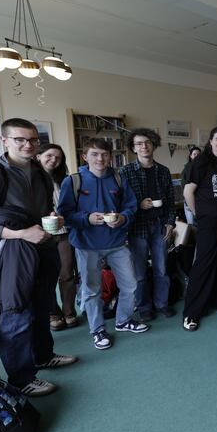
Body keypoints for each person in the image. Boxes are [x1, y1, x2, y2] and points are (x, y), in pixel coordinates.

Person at [0, 118, 77, 397]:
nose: (28, 145)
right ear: (5, 141)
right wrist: (19, 234)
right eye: (20, 139)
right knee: (17, 312)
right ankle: (21, 378)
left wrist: (51, 220)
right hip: (11, 253)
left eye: (33, 140)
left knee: (43, 304)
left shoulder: (40, 172)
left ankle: (43, 355)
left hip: (42, 248)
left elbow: (43, 211)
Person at [58, 137, 149, 350]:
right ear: (85, 156)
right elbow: (65, 214)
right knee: (91, 289)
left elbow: (131, 207)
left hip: (117, 243)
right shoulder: (73, 181)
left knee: (131, 284)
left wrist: (123, 218)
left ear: (111, 157)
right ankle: (97, 329)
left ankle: (123, 320)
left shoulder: (118, 179)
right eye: (95, 154)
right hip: (86, 244)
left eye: (105, 154)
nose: (100, 159)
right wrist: (86, 219)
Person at [182, 127, 217, 331]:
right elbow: (188, 192)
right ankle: (191, 313)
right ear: (211, 141)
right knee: (204, 263)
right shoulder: (200, 162)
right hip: (208, 221)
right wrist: (198, 213)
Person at [120, 128, 176, 321]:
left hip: (159, 224)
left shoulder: (163, 171)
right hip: (137, 227)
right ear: (133, 148)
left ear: (153, 145)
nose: (144, 146)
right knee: (140, 272)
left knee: (162, 269)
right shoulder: (125, 171)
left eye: (148, 142)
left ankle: (162, 304)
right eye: (139, 144)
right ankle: (144, 307)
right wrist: (138, 205)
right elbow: (120, 203)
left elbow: (169, 201)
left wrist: (170, 224)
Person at [36, 143, 78, 331]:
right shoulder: (30, 179)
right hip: (41, 234)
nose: (54, 160)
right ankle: (53, 313)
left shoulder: (65, 180)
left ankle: (69, 312)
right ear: (38, 156)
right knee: (46, 277)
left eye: (58, 158)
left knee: (67, 274)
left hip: (64, 233)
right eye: (49, 155)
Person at [182, 146, 202, 225]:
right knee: (192, 225)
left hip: (201, 202)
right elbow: (184, 186)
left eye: (199, 154)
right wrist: (188, 203)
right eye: (194, 154)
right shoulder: (188, 167)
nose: (197, 156)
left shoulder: (204, 168)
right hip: (190, 201)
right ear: (190, 156)